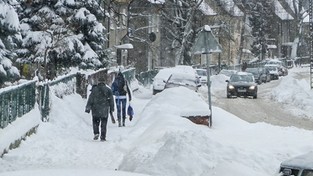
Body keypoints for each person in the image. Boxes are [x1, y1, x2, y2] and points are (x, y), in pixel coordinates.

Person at [85, 76, 114, 141]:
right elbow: (111, 100)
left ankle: (96, 133)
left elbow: (90, 99)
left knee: (95, 122)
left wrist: (88, 108)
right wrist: (112, 108)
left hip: (95, 109)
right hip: (104, 109)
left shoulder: (94, 90)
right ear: (104, 82)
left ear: (98, 82)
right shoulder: (108, 90)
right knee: (104, 123)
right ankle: (103, 136)